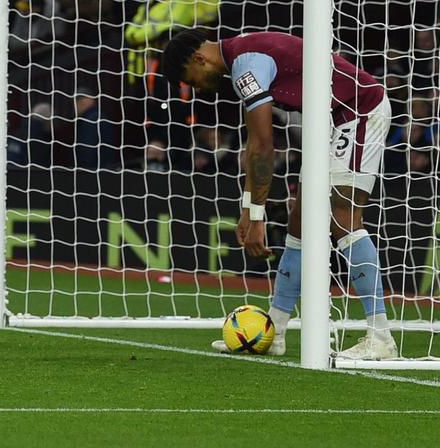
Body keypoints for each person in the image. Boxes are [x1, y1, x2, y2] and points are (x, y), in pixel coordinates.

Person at [161, 29, 397, 361]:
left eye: (192, 80)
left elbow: (263, 146)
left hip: (359, 111)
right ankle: (275, 333)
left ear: (199, 59)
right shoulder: (243, 57)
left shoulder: (246, 67)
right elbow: (254, 147)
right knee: (298, 225)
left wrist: (256, 217)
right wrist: (249, 209)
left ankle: (380, 336)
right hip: (330, 123)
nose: (197, 88)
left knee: (342, 218)